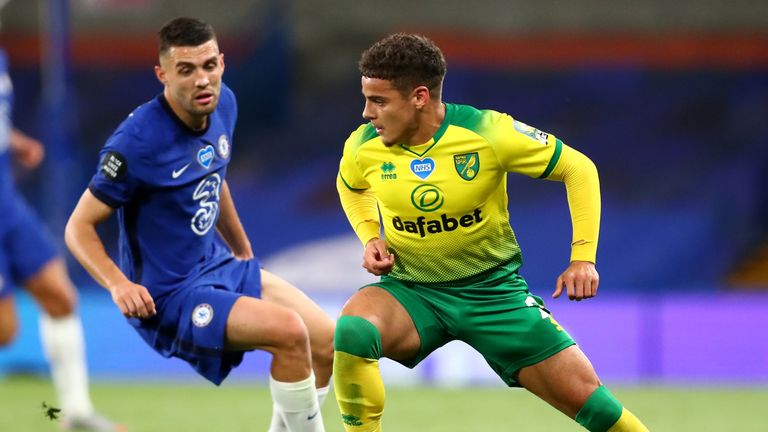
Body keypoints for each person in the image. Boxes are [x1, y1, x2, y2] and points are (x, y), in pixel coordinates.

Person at [333, 33, 649, 432]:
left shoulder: (488, 132)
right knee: (353, 330)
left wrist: (583, 257)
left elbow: (579, 169)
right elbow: (351, 186)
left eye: (378, 101)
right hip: (412, 290)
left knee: (597, 408)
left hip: (492, 295)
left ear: (418, 97)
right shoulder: (364, 146)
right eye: (366, 99)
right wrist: (370, 236)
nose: (366, 113)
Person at [64, 17, 334, 432]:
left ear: (222, 63)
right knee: (289, 331)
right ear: (163, 75)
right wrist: (119, 284)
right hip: (168, 295)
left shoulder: (225, 103)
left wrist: (241, 248)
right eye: (186, 70)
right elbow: (78, 227)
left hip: (217, 266)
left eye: (209, 65)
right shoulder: (135, 143)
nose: (202, 80)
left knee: (328, 341)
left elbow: (214, 176)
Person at [0, 45, 124, 432]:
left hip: (7, 204)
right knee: (5, 331)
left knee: (60, 296)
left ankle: (76, 414)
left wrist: (14, 141)